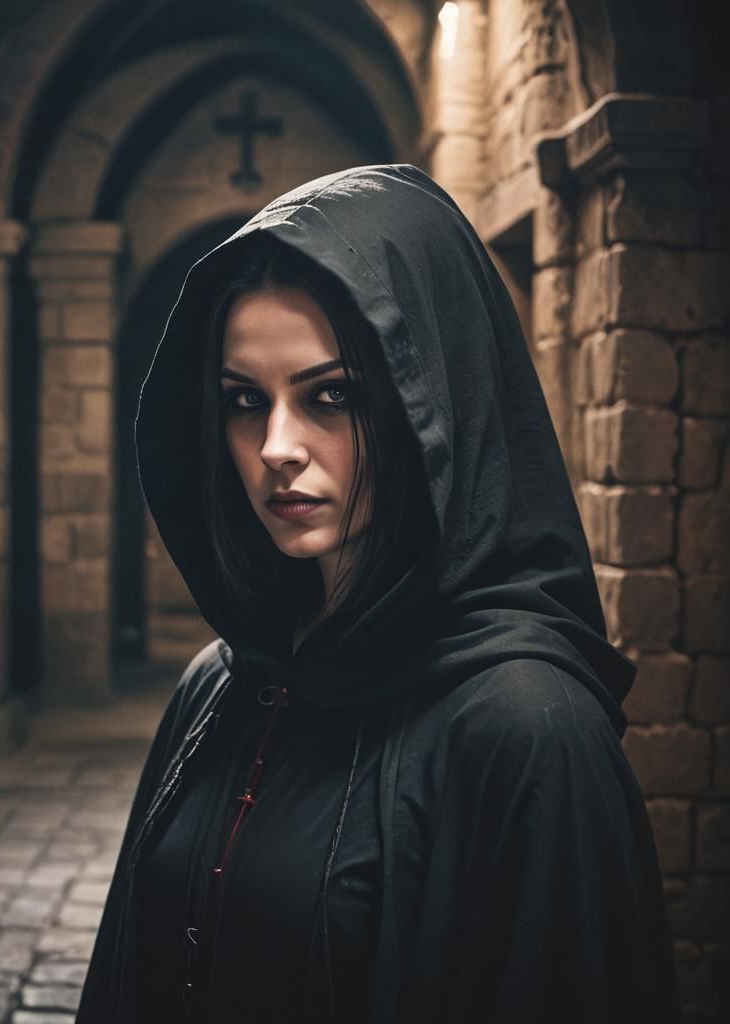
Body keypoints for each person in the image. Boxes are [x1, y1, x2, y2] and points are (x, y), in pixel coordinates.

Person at [73, 165, 680, 1023]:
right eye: (246, 401)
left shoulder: (530, 732)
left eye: (331, 396)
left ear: (428, 405)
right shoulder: (222, 685)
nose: (276, 446)